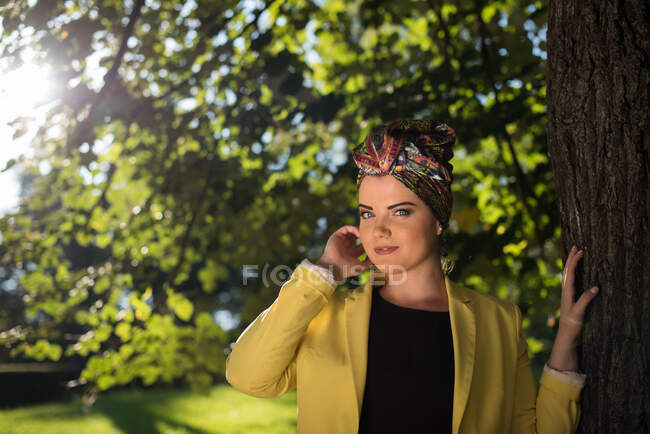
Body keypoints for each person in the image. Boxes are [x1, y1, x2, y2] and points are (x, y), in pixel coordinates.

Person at [225, 119, 598, 434]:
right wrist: (325, 272)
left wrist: (566, 335)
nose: (379, 230)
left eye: (400, 212)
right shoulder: (326, 314)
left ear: (437, 221)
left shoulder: (498, 320)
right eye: (368, 213)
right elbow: (248, 376)